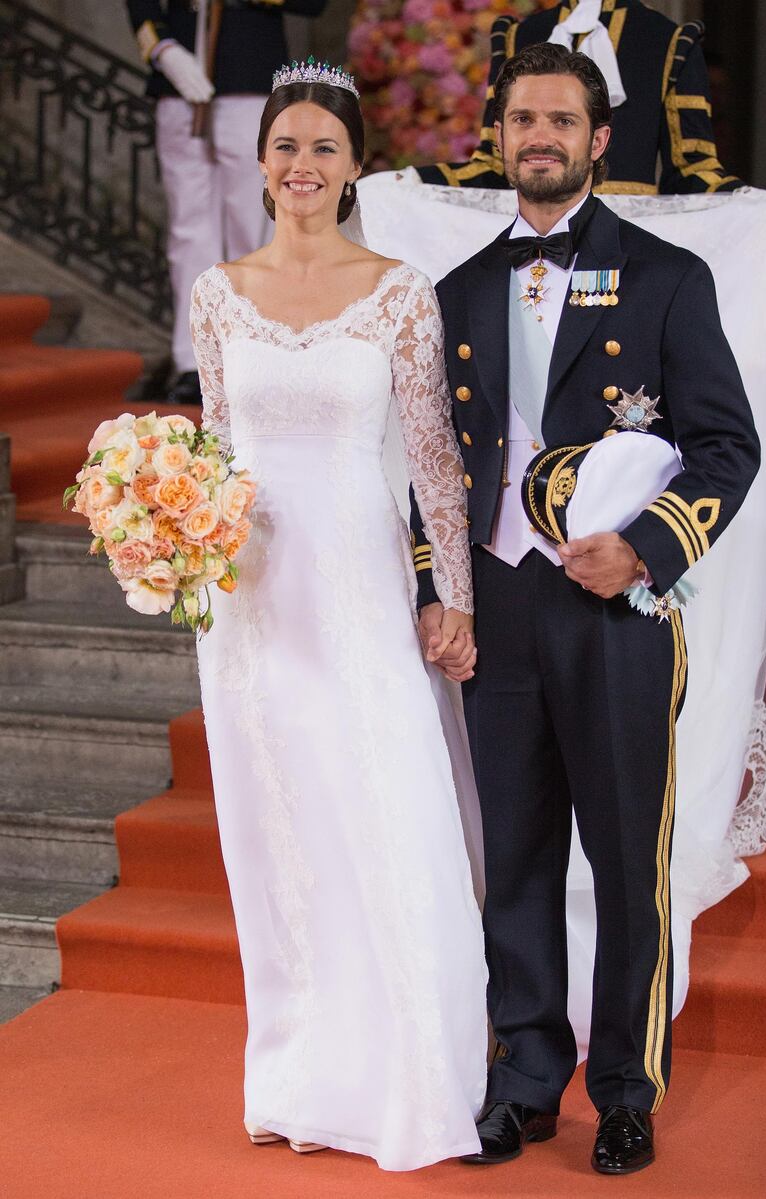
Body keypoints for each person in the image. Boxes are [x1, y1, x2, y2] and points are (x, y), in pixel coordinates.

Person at [411, 41, 759, 1173]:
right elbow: (425, 471)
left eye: (560, 121)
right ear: (498, 137)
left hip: (614, 612)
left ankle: (622, 1086)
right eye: (520, 122)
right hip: (500, 611)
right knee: (509, 853)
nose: (539, 139)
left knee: (621, 857)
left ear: (598, 138)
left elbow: (724, 447)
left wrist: (648, 548)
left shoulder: (665, 276)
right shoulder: (454, 290)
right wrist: (438, 590)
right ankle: (521, 1079)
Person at [188, 59, 488, 1171]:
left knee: (384, 805)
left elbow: (435, 465)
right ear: (260, 163)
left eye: (323, 146)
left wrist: (447, 593)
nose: (302, 165)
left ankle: (414, 1074)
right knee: (281, 828)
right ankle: (301, 1070)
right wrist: (169, 540)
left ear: (356, 165)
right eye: (285, 145)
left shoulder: (401, 291)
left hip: (360, 590)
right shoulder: (218, 292)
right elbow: (213, 452)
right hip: (255, 602)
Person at [126, 0, 327, 405]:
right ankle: (191, 360)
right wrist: (164, 49)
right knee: (188, 231)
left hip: (249, 75)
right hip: (180, 81)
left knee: (251, 226)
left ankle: (250, 353)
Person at [419, 0, 741, 195]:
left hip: (628, 240)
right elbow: (493, 163)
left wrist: (748, 202)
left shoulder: (670, 40)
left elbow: (690, 169)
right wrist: (412, 181)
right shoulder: (518, 35)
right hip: (530, 231)